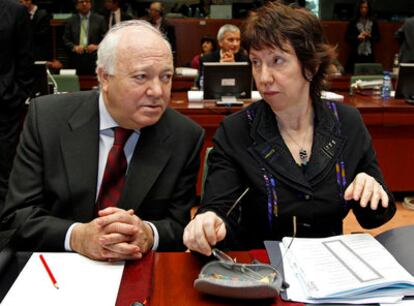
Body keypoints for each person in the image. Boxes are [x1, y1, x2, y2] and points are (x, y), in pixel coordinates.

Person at [183, 1, 396, 256]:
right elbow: (218, 208)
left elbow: (375, 218)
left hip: (330, 273)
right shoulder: (236, 130)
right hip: (260, 274)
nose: (263, 77)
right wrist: (208, 221)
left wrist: (371, 189)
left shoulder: (347, 123)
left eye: (277, 61)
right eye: (256, 62)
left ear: (310, 66)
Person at [0, 20, 204, 261]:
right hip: (55, 268)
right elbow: (15, 218)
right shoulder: (47, 119)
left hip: (136, 271)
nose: (158, 92)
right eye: (141, 77)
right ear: (104, 77)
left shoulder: (184, 136)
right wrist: (77, 236)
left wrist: (148, 233)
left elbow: (179, 226)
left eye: (166, 77)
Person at [0, 0, 33, 210]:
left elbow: (26, 57)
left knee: (4, 165)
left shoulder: (15, 10)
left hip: (5, 101)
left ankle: (5, 220)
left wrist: (18, 94)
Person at [62, 0, 107, 75]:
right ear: (76, 6)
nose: (84, 4)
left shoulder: (100, 20)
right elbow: (65, 40)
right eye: (81, 2)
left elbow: (106, 40)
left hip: (94, 59)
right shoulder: (70, 21)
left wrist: (96, 46)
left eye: (87, 1)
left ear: (91, 5)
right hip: (76, 59)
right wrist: (74, 47)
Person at [345, 0, 380, 73]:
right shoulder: (353, 21)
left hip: (369, 54)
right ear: (359, 9)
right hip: (356, 54)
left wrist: (370, 36)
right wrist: (357, 38)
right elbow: (347, 38)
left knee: (369, 76)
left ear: (369, 9)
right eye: (362, 7)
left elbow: (378, 38)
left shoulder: (373, 21)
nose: (364, 10)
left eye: (366, 8)